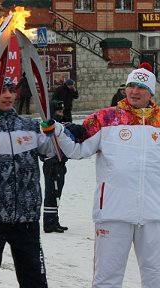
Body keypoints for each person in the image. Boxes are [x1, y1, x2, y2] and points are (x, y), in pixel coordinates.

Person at [0, 76, 84, 287]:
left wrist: (63, 132)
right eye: (1, 91)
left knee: (34, 280)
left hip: (26, 217)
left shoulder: (28, 127)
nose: (8, 95)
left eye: (11, 90)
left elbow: (53, 152)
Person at [51, 63, 160, 287]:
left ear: (151, 92)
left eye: (140, 87)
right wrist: (58, 131)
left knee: (156, 276)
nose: (134, 91)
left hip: (154, 215)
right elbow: (76, 149)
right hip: (113, 212)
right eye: (131, 86)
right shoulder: (105, 118)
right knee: (107, 278)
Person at [42, 99, 86, 233]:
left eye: (62, 111)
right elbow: (44, 147)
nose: (61, 114)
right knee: (52, 193)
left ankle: (54, 220)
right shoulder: (46, 129)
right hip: (52, 164)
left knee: (57, 193)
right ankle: (49, 223)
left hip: (60, 164)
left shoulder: (61, 127)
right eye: (58, 111)